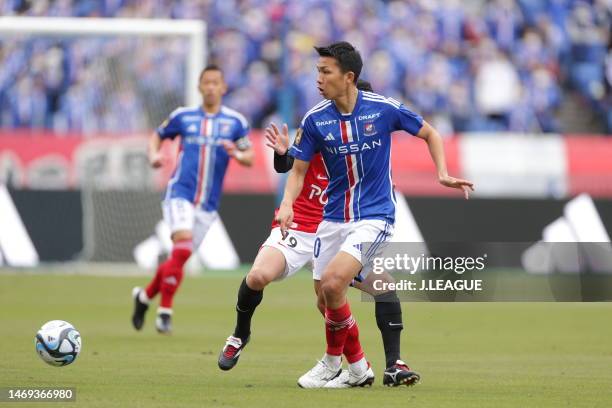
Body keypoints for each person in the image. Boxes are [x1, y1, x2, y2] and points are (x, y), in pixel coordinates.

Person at [276, 41, 473, 388]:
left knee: (337, 283)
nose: (318, 78)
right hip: (332, 219)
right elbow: (297, 170)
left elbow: (430, 132)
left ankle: (331, 361)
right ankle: (362, 370)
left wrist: (441, 172)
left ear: (348, 76)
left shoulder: (382, 109)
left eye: (326, 71)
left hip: (375, 216)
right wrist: (289, 203)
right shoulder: (315, 119)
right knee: (327, 299)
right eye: (317, 71)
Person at [218, 79, 421, 387]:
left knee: (369, 290)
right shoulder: (322, 126)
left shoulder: (370, 148)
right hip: (300, 226)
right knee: (258, 277)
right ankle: (240, 333)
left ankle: (380, 365)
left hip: (341, 230)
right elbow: (291, 164)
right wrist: (282, 154)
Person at [131, 65, 254, 334]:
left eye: (215, 83)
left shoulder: (235, 122)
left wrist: (236, 154)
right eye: (206, 82)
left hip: (207, 204)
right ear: (199, 87)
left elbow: (249, 157)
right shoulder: (183, 116)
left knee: (179, 256)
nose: (210, 87)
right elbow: (158, 136)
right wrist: (153, 155)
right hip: (179, 193)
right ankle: (165, 311)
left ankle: (144, 297)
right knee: (183, 248)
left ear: (223, 87)